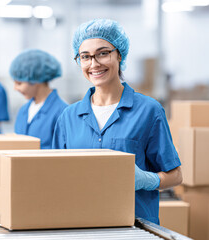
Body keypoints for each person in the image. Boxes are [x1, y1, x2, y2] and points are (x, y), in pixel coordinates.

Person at [52, 19, 182, 224]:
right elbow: (56, 178)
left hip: (135, 227)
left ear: (119, 54)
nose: (94, 64)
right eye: (85, 57)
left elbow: (175, 176)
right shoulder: (68, 117)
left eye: (103, 53)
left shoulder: (149, 111)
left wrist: (149, 180)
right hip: (80, 225)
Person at [10, 49, 68, 149]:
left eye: (19, 83)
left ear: (35, 79)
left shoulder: (62, 113)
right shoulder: (23, 110)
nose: (15, 88)